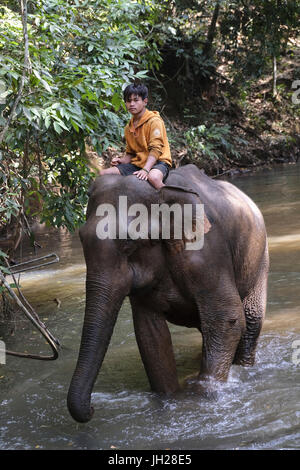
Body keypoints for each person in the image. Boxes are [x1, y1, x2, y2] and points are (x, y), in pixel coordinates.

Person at [99, 83, 172, 189]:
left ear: (145, 101)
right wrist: (121, 160)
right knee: (103, 174)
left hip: (158, 162)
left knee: (154, 178)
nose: (132, 104)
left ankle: (169, 200)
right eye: (129, 101)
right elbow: (131, 153)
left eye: (136, 100)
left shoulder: (154, 121)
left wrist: (146, 170)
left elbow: (156, 149)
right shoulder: (129, 127)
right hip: (138, 163)